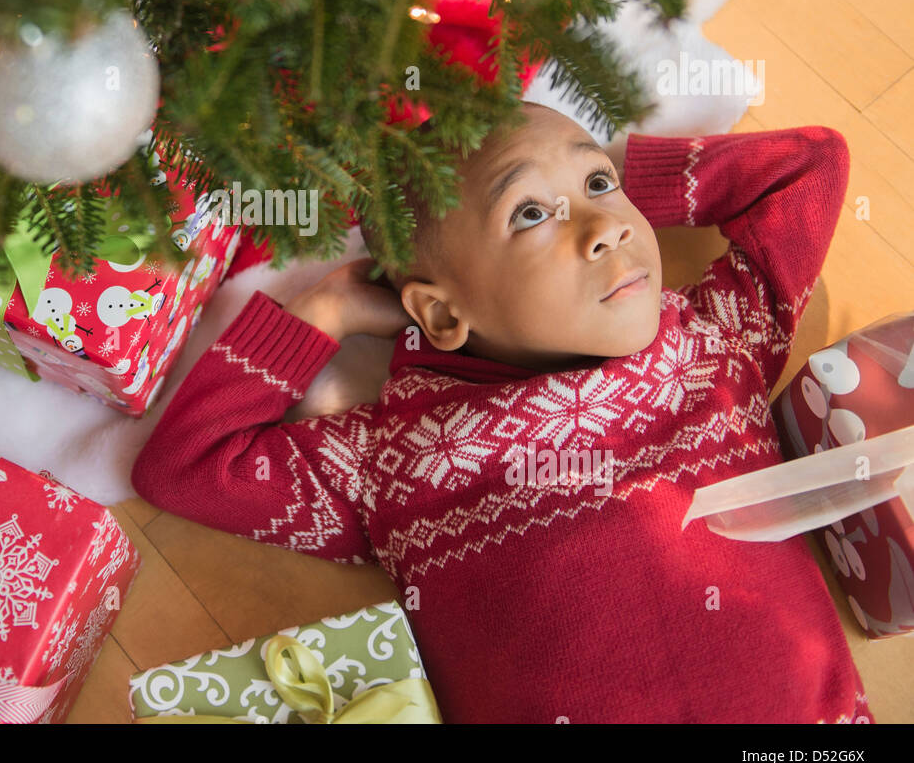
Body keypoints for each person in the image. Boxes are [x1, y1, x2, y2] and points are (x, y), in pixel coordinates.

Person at [131, 102, 872, 723]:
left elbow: (811, 165)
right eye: (529, 212)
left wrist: (630, 182)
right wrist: (321, 313)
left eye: (598, 184)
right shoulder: (398, 457)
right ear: (442, 313)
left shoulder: (715, 340)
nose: (605, 227)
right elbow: (184, 465)